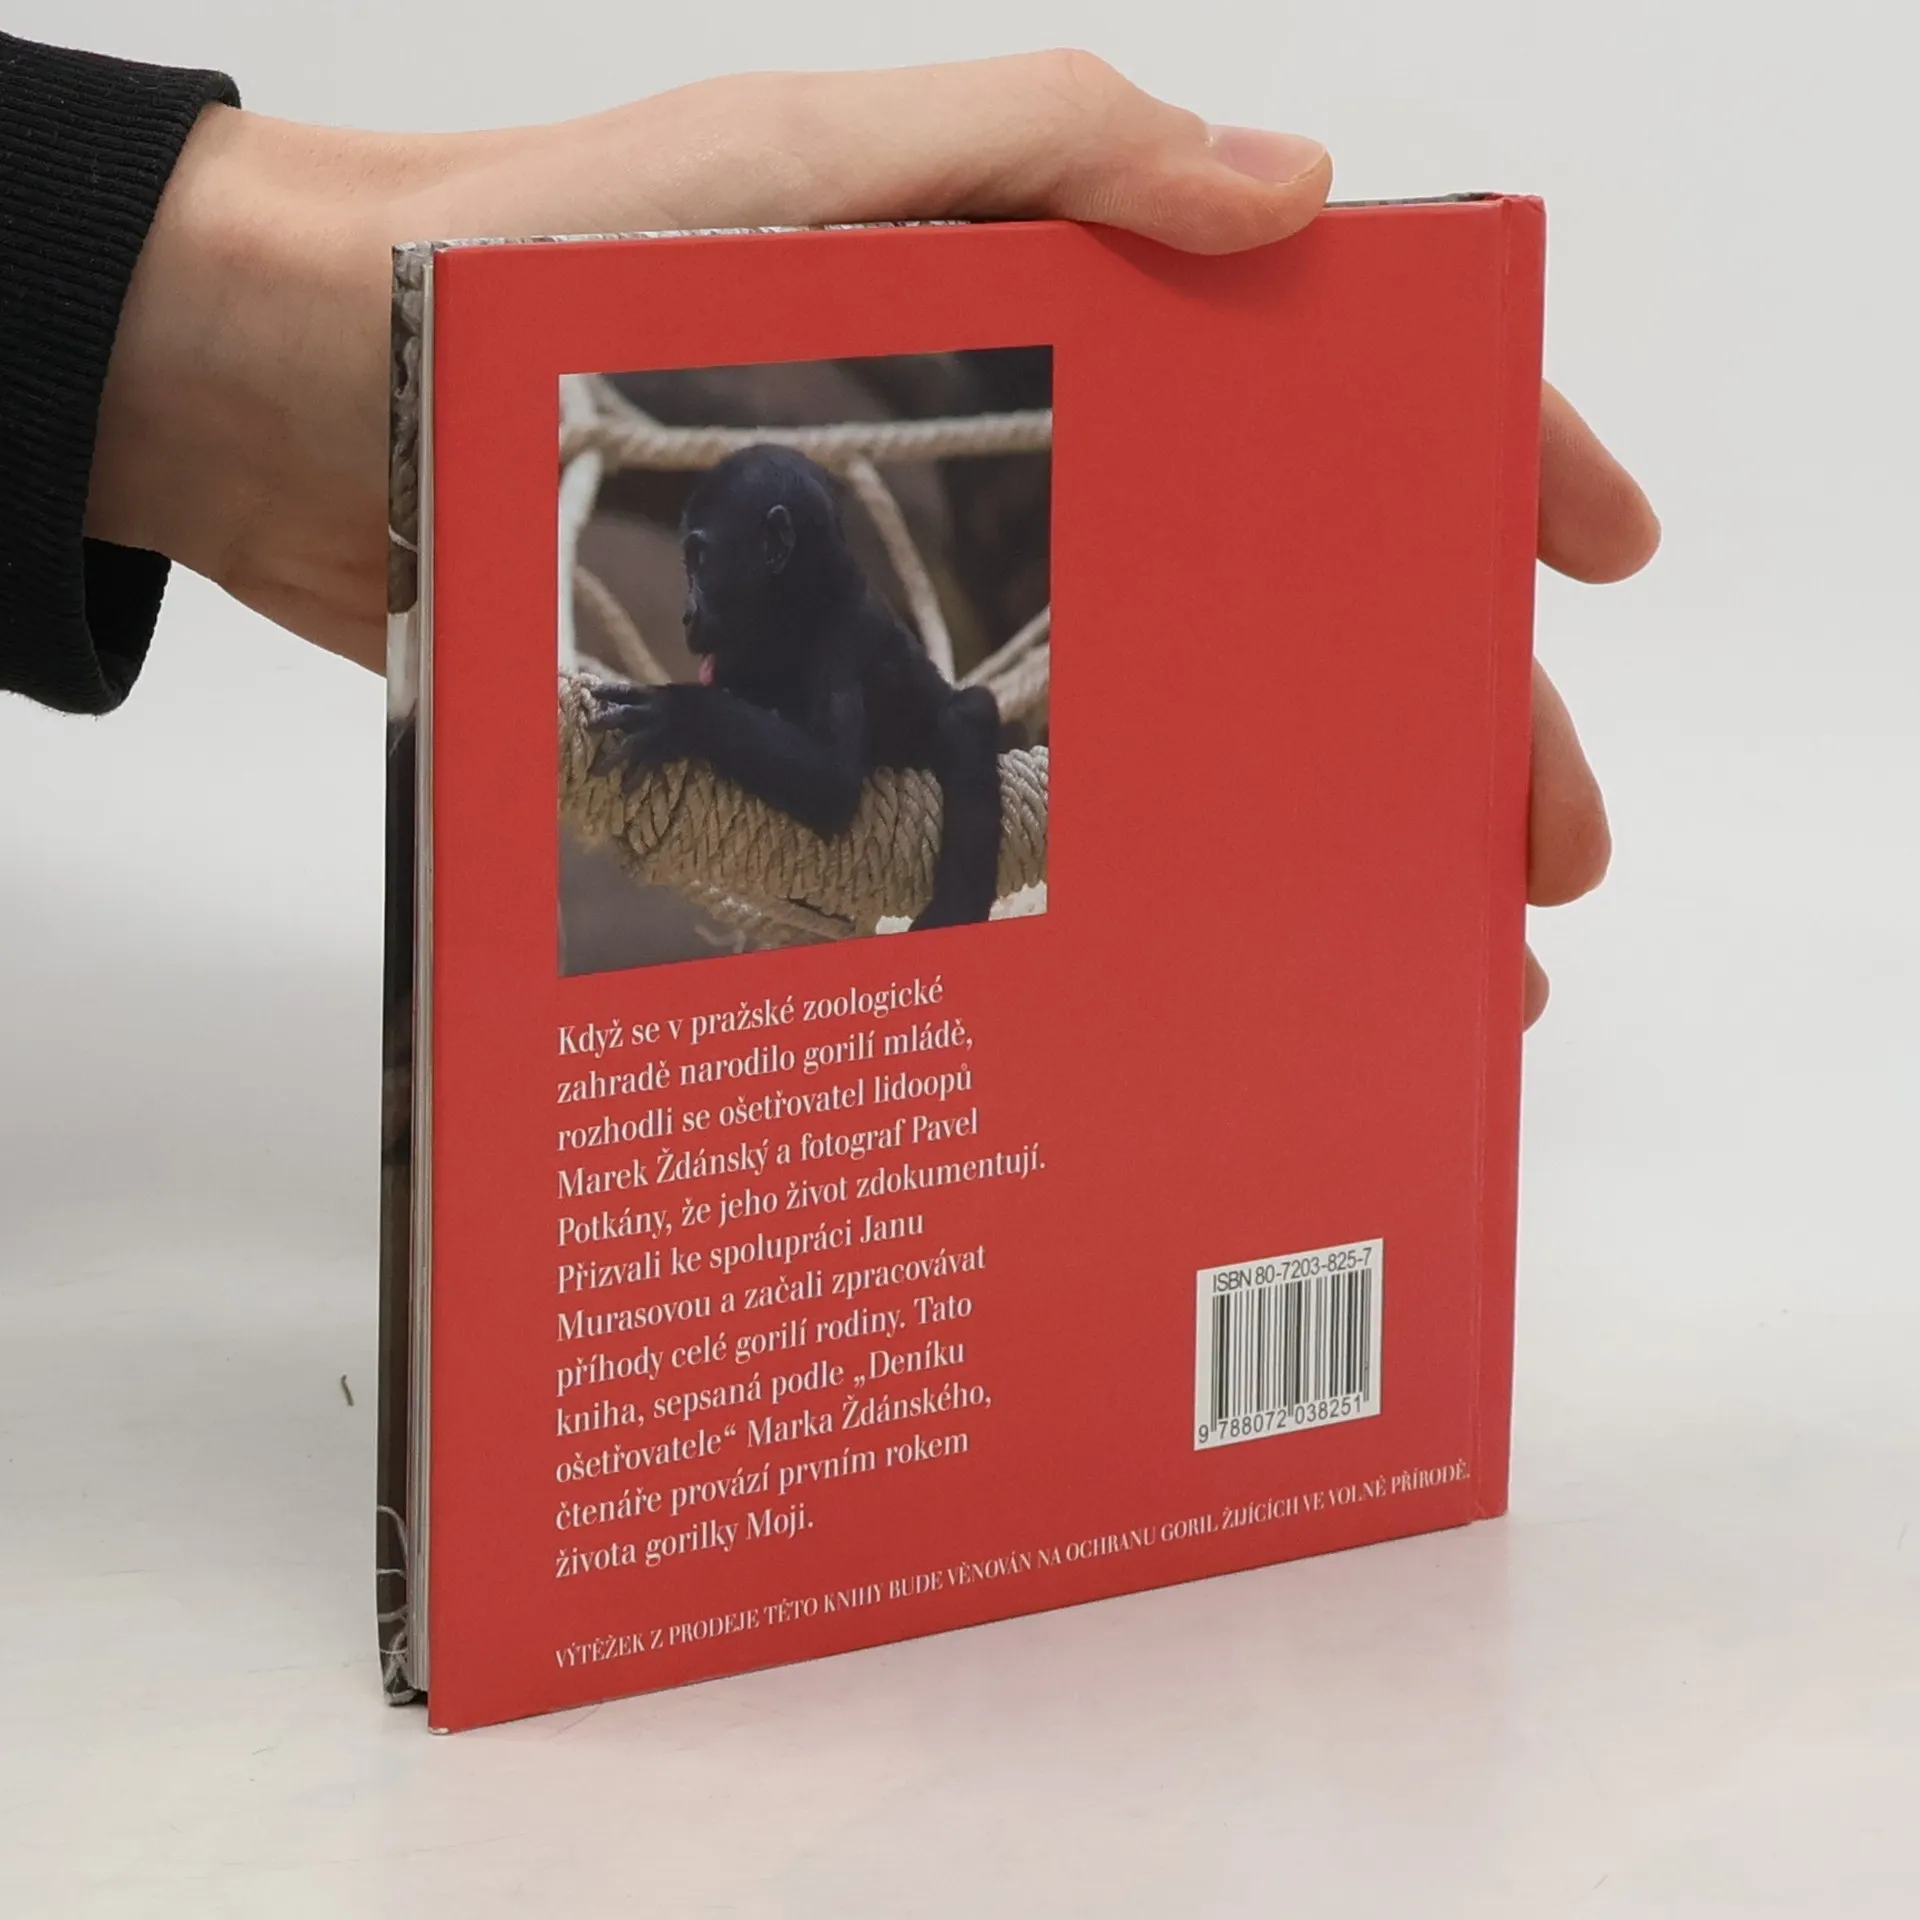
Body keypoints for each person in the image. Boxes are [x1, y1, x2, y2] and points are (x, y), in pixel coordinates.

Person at [0, 32, 1657, 1020]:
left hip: (938, 746)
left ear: (780, 556)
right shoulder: (771, 610)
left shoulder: (838, 645)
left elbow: (823, 784)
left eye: (706, 566)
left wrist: (688, 722)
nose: (690, 593)